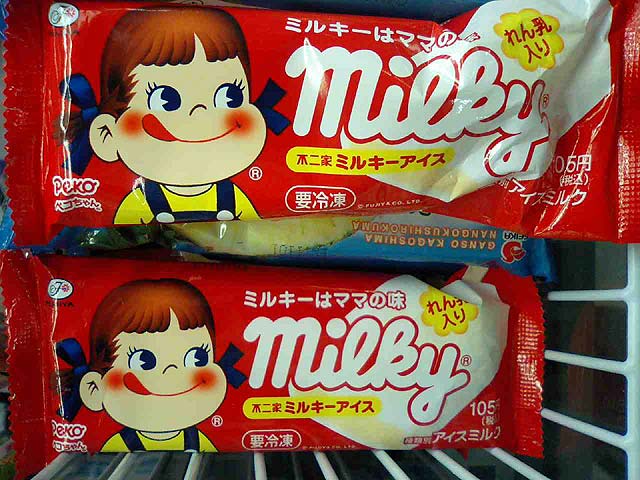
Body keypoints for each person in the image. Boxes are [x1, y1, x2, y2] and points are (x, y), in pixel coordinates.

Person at [60, 7, 288, 225]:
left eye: (230, 97)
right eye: (165, 100)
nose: (200, 113)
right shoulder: (141, 200)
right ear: (107, 135)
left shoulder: (234, 198)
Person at [56, 279, 239, 452]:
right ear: (94, 388)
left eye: (197, 358)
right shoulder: (118, 444)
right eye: (143, 361)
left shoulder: (200, 440)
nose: (171, 372)